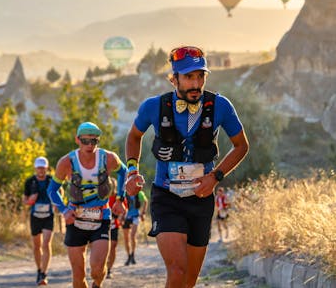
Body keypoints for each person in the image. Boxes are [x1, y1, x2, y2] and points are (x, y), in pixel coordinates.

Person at [125, 45, 249, 287]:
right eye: (189, 77)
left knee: (189, 280)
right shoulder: (153, 106)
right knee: (178, 269)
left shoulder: (220, 105)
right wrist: (132, 170)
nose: (196, 83)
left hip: (201, 201)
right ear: (174, 79)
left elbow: (241, 146)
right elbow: (133, 136)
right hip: (166, 197)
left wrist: (215, 176)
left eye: (200, 76)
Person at [47, 122, 127, 288]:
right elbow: (52, 190)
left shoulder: (108, 158)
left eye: (94, 141)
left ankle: (98, 284)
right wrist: (64, 210)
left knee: (97, 271)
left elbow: (124, 172)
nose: (90, 145)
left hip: (101, 217)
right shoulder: (66, 162)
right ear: (77, 140)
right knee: (78, 276)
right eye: (85, 141)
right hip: (76, 219)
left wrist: (120, 198)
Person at [24, 156, 55, 286]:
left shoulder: (51, 180)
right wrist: (31, 199)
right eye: (39, 168)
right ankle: (39, 269)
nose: (41, 170)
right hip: (35, 216)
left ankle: (44, 273)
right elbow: (25, 201)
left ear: (46, 168)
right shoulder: (29, 182)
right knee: (37, 246)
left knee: (46, 244)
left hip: (48, 216)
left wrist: (56, 202)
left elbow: (60, 193)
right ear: (35, 168)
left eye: (43, 167)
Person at [106, 177, 126, 279]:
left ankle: (109, 269)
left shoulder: (118, 197)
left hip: (114, 224)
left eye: (114, 185)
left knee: (113, 246)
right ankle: (102, 265)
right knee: (104, 246)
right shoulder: (103, 196)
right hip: (103, 224)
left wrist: (120, 217)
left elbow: (124, 210)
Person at [122, 189, 148, 266]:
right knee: (126, 238)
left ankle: (132, 254)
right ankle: (129, 256)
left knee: (132, 236)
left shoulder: (139, 193)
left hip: (135, 216)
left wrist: (143, 213)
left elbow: (145, 201)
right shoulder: (124, 193)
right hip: (126, 217)